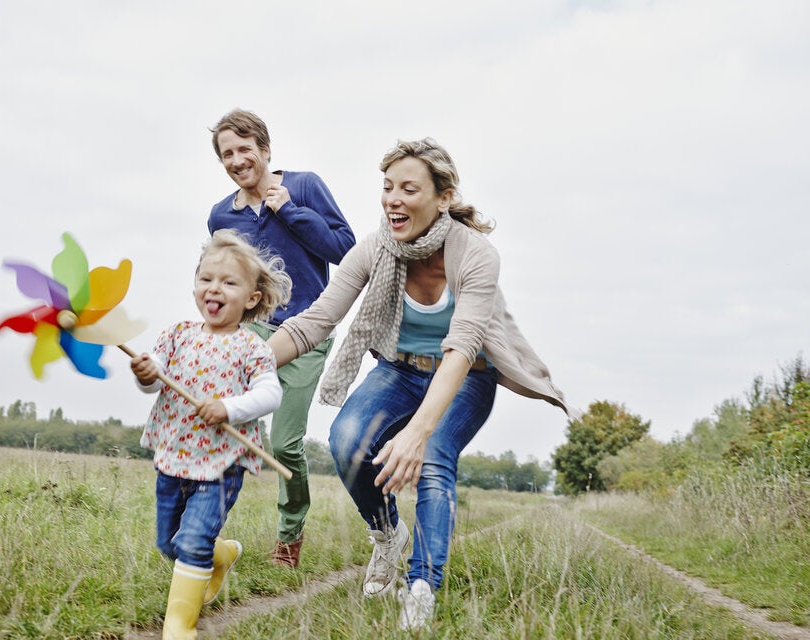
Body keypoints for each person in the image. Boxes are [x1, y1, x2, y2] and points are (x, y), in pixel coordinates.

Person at [268, 138, 573, 630]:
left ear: (443, 197)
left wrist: (418, 432)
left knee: (433, 457)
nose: (393, 199)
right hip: (400, 369)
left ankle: (421, 587)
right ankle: (388, 535)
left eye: (409, 189)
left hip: (466, 375)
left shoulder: (476, 255)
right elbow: (317, 320)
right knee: (347, 442)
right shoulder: (376, 248)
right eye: (387, 187)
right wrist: (242, 365)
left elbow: (463, 346)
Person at [208, 108, 356, 568]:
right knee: (219, 424)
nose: (237, 160)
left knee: (285, 443)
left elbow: (346, 250)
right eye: (227, 154)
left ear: (266, 149)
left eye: (244, 149)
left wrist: (289, 211)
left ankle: (289, 538)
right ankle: (202, 531)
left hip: (308, 331)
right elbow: (221, 279)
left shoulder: (305, 186)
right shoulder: (220, 217)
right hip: (251, 331)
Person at [130, 229, 292, 640]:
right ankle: (221, 554)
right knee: (169, 543)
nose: (214, 288)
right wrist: (146, 374)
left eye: (228, 282)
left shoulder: (252, 348)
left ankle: (179, 627)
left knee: (192, 542)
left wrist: (228, 408)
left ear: (252, 298)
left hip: (222, 464)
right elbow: (155, 380)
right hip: (174, 455)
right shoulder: (176, 335)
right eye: (206, 278)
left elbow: (270, 394)